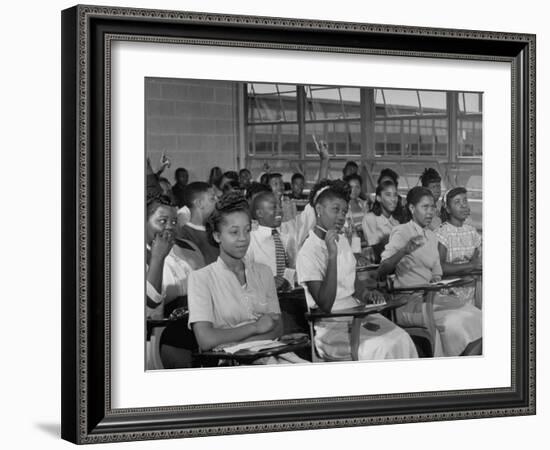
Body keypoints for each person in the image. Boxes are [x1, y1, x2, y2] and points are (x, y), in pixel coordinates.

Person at [295, 180, 418, 361]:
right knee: (382, 347)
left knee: (401, 338)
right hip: (332, 326)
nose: (341, 216)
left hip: (356, 313)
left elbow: (352, 282)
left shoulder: (342, 241)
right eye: (335, 210)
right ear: (319, 209)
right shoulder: (308, 251)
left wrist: (367, 294)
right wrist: (331, 256)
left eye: (344, 212)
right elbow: (325, 305)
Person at [187, 193, 307, 364]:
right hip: (231, 363)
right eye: (234, 232)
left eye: (247, 231)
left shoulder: (263, 272)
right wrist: (255, 327)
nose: (243, 239)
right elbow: (206, 339)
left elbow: (277, 327)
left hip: (269, 355)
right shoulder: (201, 279)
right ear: (217, 236)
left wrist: (239, 342)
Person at [378, 186, 482, 357]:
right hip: (409, 302)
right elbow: (383, 269)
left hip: (433, 298)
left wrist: (435, 279)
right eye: (425, 207)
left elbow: (436, 272)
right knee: (458, 322)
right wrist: (404, 250)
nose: (430, 212)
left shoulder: (432, 236)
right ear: (412, 208)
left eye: (432, 207)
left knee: (478, 316)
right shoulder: (402, 231)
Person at [146, 195, 202, 368]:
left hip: (196, 326)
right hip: (160, 336)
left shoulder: (188, 248)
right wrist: (158, 257)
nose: (170, 227)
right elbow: (151, 301)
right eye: (162, 221)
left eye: (174, 221)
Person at [435, 187, 482, 306]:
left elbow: (477, 260)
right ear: (448, 209)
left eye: (465, 201)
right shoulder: (442, 232)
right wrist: (470, 265)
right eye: (457, 202)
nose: (463, 205)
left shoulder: (472, 232)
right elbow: (440, 267)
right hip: (450, 292)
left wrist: (472, 265)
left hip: (471, 290)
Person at [246, 191, 298, 291]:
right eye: (274, 207)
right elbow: (245, 272)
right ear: (259, 213)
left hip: (285, 296)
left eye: (280, 207)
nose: (279, 211)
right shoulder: (251, 240)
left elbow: (292, 266)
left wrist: (287, 281)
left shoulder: (286, 238)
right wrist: (268, 282)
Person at [179, 182, 219, 264]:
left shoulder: (214, 228)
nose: (217, 201)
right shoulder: (184, 235)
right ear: (199, 203)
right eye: (212, 198)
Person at [361, 180, 401, 262]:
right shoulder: (370, 218)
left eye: (395, 195)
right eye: (388, 195)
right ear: (378, 198)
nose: (393, 199)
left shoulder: (396, 222)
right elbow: (375, 248)